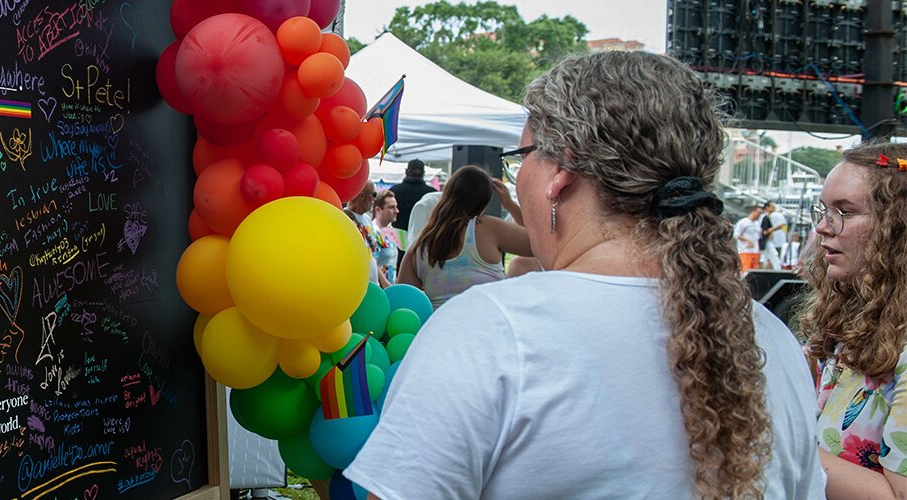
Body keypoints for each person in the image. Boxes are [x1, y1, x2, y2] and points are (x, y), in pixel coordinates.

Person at [346, 51, 823, 498]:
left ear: (560, 173)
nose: (518, 180)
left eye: (521, 159)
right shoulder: (773, 344)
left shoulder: (491, 333)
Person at [804, 143, 907, 498]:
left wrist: (778, 440)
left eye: (844, 211)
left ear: (897, 227)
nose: (822, 228)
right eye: (824, 210)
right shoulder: (857, 319)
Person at [395, 165, 527, 308]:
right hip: (486, 326)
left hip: (439, 327)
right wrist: (509, 204)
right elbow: (538, 244)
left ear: (447, 194)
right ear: (483, 202)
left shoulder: (419, 246)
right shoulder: (487, 229)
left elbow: (403, 301)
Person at [343, 183, 391, 288]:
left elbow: (372, 255)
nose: (375, 199)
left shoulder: (367, 218)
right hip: (356, 286)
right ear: (362, 196)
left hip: (372, 286)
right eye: (374, 194)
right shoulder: (344, 219)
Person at [389, 159, 437, 262]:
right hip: (423, 248)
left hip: (396, 244)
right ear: (423, 174)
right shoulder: (432, 195)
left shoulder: (394, 191)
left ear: (406, 171)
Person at [370, 190, 400, 285]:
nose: (396, 211)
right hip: (381, 289)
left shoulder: (390, 230)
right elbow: (373, 261)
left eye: (396, 207)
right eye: (391, 207)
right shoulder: (374, 232)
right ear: (378, 210)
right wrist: (386, 284)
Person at [733, 204, 767, 273]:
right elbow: (736, 235)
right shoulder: (743, 222)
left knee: (753, 271)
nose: (759, 215)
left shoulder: (757, 224)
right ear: (753, 212)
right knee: (745, 270)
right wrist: (747, 240)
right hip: (745, 250)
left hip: (755, 251)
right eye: (758, 213)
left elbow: (758, 237)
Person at [762, 201, 789, 269]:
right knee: (769, 257)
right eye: (772, 206)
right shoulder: (765, 216)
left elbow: (783, 225)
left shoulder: (776, 215)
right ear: (767, 207)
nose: (774, 207)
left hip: (777, 240)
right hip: (767, 240)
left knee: (773, 257)